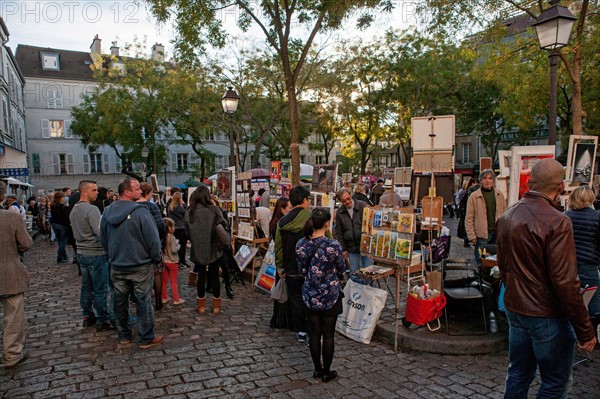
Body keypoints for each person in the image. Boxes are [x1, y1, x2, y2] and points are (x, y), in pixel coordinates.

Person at [497, 159, 597, 398]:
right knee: (556, 382)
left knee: (518, 373)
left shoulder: (508, 215)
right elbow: (565, 281)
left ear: (530, 182)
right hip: (545, 314)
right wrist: (585, 331)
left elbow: (503, 267)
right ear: (561, 186)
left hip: (516, 308)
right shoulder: (558, 221)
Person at [100, 178, 164, 349]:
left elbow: (103, 239)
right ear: (127, 192)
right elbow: (153, 239)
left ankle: (124, 336)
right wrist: (156, 258)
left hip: (117, 264)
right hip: (140, 264)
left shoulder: (107, 213)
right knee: (143, 302)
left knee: (119, 302)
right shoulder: (140, 212)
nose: (140, 192)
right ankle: (145, 337)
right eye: (136, 189)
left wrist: (112, 256)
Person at [296, 207, 345, 383]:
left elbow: (302, 269)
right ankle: (326, 371)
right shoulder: (333, 245)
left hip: (310, 294)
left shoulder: (301, 244)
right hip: (330, 294)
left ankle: (317, 369)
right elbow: (341, 269)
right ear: (326, 223)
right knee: (329, 334)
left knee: (314, 333)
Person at [276, 186, 328, 343]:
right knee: (314, 299)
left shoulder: (282, 221)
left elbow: (278, 247)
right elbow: (328, 239)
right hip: (314, 267)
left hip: (291, 267)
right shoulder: (314, 217)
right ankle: (314, 331)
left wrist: (280, 266)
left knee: (296, 299)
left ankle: (301, 331)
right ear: (305, 200)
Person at [69, 180, 112, 331]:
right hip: (95, 252)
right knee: (100, 288)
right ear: (84, 191)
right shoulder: (91, 209)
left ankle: (88, 315)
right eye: (94, 190)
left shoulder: (74, 209)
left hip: (81, 252)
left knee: (87, 287)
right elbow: (100, 232)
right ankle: (102, 319)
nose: (97, 193)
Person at [0, 180, 33, 368]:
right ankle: (12, 354)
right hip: (9, 272)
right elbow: (26, 244)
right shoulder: (10, 218)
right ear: (3, 196)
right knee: (13, 316)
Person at [565, 185, 600, 334]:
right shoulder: (597, 217)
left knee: (571, 298)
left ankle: (573, 329)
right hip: (589, 262)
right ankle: (589, 333)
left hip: (568, 264)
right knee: (593, 298)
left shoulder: (565, 216)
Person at [185, 186, 225, 315]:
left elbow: (187, 232)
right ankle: (216, 306)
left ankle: (201, 306)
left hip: (198, 248)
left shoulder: (190, 212)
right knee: (214, 277)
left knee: (201, 276)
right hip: (213, 247)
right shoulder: (214, 210)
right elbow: (223, 226)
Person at [465, 169, 506, 268]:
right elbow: (469, 218)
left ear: (493, 181)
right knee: (481, 262)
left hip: (496, 233)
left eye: (490, 178)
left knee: (495, 262)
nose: (487, 181)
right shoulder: (474, 196)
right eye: (484, 178)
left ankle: (492, 281)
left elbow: (505, 214)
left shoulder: (499, 194)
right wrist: (472, 236)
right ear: (481, 181)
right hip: (481, 235)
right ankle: (480, 280)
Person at [138, 182, 167, 310]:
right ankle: (159, 300)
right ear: (148, 193)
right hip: (153, 243)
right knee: (156, 273)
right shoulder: (152, 207)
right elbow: (161, 225)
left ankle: (143, 300)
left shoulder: (132, 206)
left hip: (137, 245)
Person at [335, 188, 372, 283]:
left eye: (348, 198)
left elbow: (370, 225)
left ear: (351, 195)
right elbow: (339, 232)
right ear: (340, 201)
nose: (347, 202)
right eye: (344, 201)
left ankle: (369, 293)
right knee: (354, 273)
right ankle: (357, 294)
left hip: (365, 244)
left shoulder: (363, 205)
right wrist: (343, 249)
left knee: (368, 272)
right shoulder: (340, 212)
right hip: (351, 245)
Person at [269, 197, 293, 329]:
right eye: (289, 208)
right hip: (282, 261)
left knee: (282, 288)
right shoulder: (280, 224)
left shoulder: (275, 221)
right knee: (282, 290)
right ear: (282, 209)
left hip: (280, 261)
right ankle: (282, 318)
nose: (290, 210)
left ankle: (280, 318)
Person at [161, 218, 185, 305]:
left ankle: (163, 297)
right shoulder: (171, 237)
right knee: (174, 281)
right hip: (173, 262)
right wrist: (178, 245)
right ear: (170, 227)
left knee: (164, 281)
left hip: (165, 261)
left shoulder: (162, 236)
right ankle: (176, 299)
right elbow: (174, 250)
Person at [167, 192, 189, 268]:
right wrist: (184, 204)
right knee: (182, 246)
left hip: (175, 228)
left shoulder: (170, 207)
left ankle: (177, 259)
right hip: (181, 228)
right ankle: (181, 261)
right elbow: (187, 212)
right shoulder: (179, 207)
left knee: (175, 244)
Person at [50, 191, 71, 263]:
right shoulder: (62, 207)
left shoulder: (52, 205)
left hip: (54, 224)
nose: (64, 198)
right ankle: (60, 257)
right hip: (62, 225)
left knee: (60, 241)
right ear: (60, 198)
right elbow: (64, 217)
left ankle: (64, 255)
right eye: (63, 197)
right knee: (62, 242)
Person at [457, 178, 477, 247]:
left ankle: (466, 240)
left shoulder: (466, 191)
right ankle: (468, 239)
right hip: (468, 211)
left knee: (467, 224)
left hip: (465, 211)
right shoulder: (472, 191)